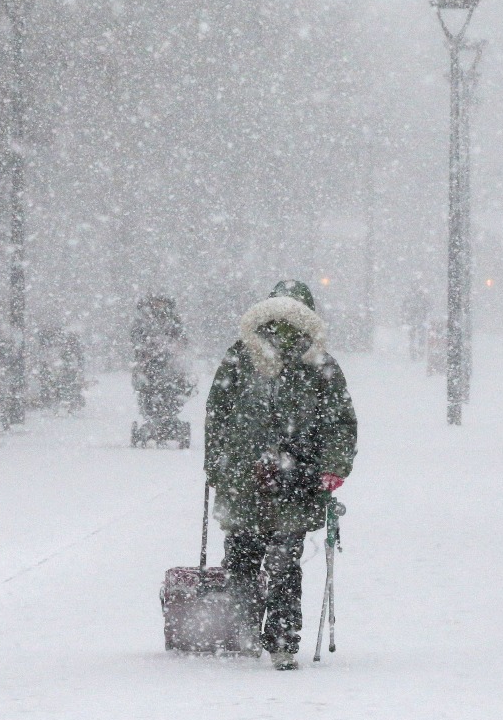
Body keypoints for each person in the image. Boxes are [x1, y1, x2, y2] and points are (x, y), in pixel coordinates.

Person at [204, 280, 357, 670]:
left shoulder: (240, 356)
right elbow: (339, 422)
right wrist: (333, 466)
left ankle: (244, 632)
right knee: (285, 563)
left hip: (243, 476)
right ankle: (282, 641)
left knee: (241, 558)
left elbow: (217, 414)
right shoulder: (319, 362)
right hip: (296, 478)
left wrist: (216, 465)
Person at [131, 294, 194, 446]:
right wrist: (147, 348)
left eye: (162, 304)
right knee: (147, 391)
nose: (159, 307)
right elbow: (136, 340)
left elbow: (182, 341)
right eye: (156, 304)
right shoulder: (143, 321)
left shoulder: (174, 321)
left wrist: (173, 348)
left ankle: (168, 416)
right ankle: (154, 417)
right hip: (149, 365)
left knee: (173, 391)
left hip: (171, 365)